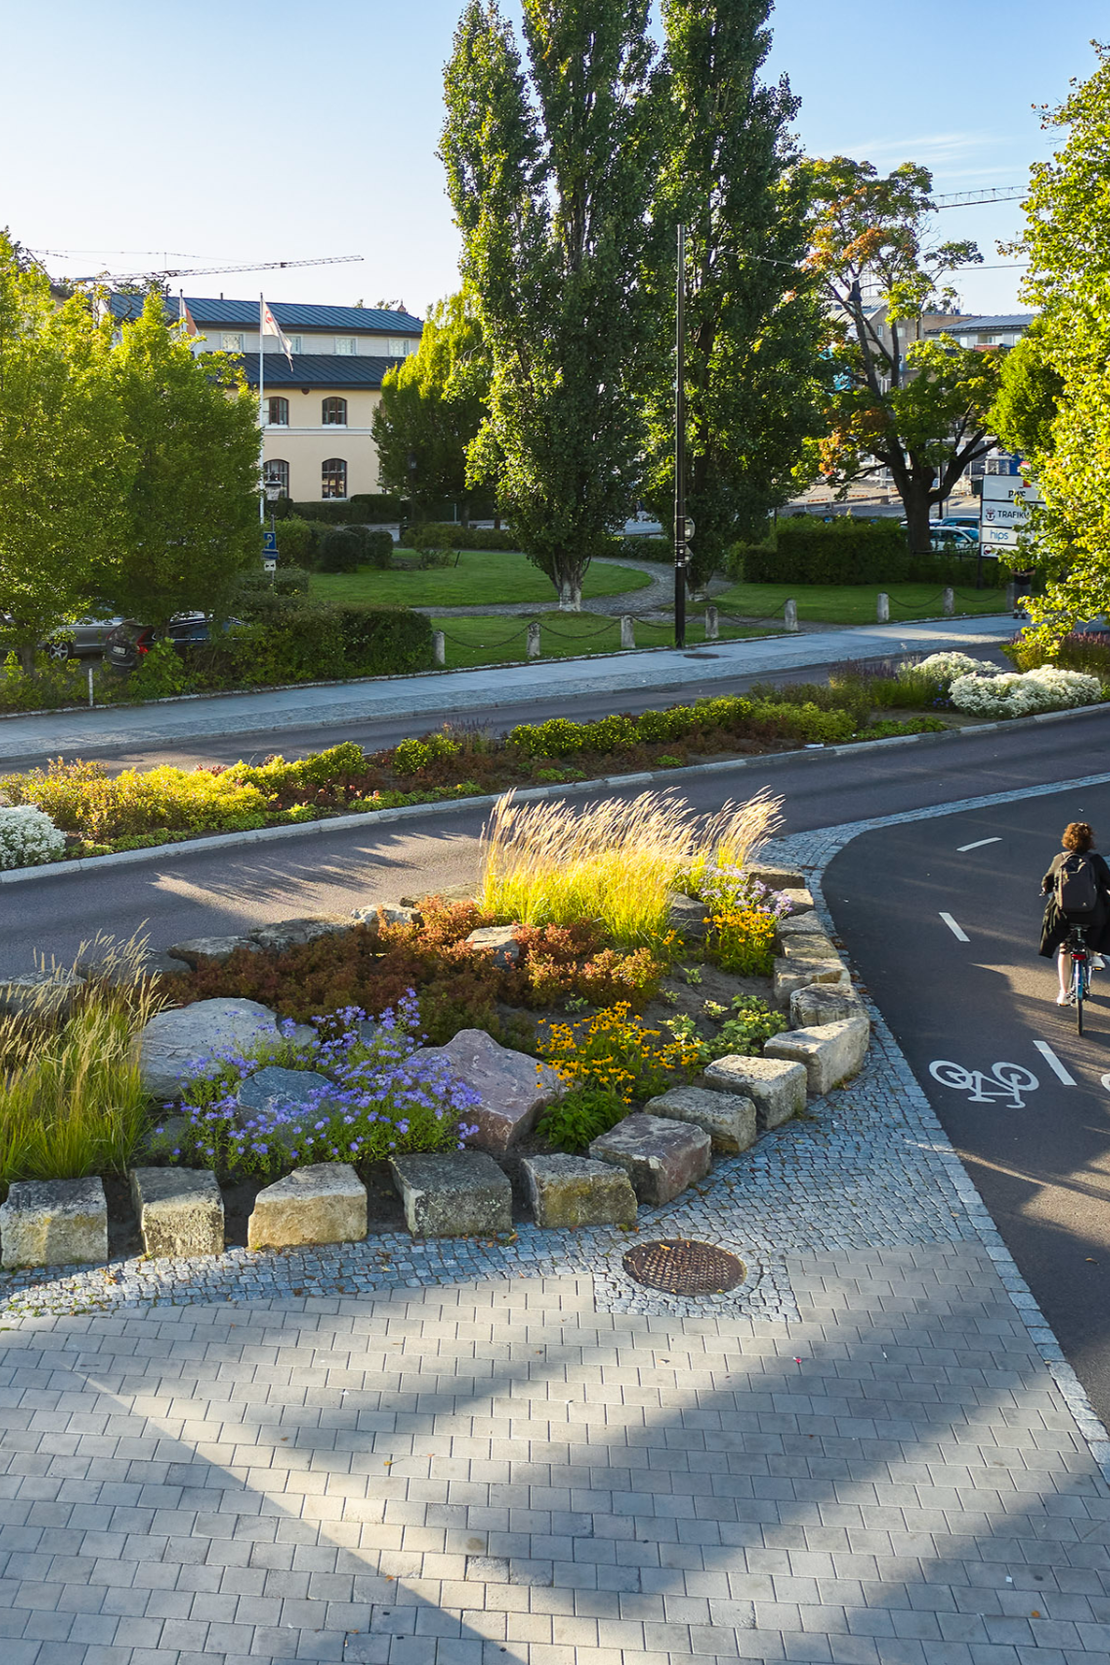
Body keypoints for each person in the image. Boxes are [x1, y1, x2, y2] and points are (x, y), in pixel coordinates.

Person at [1040, 822, 1110, 1003]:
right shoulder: (1095, 860)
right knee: (1102, 921)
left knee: (1065, 949)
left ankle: (1063, 993)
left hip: (1065, 916)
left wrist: (1047, 889)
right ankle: (1095, 955)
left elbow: (1047, 882)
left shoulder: (1060, 858)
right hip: (1092, 914)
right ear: (1090, 841)